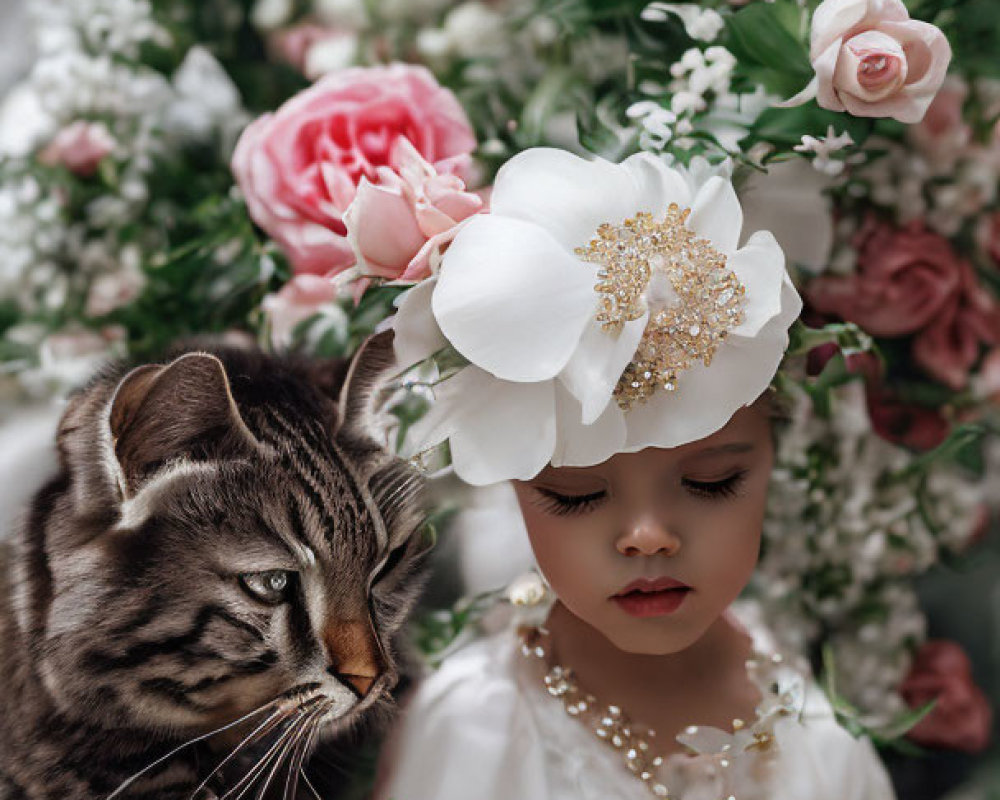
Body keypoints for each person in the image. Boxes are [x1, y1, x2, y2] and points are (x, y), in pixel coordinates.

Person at [373, 147, 897, 799]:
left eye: (711, 483)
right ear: (516, 483)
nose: (647, 535)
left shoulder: (822, 749)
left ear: (770, 460)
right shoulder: (476, 729)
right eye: (576, 496)